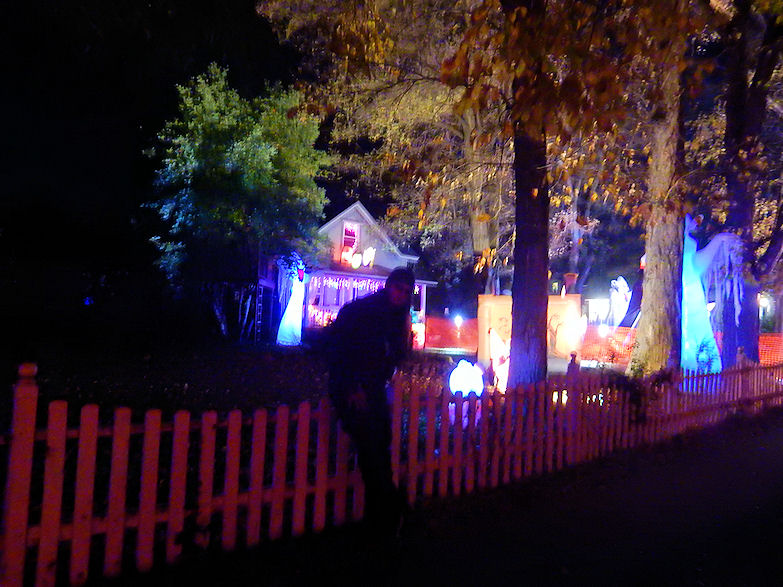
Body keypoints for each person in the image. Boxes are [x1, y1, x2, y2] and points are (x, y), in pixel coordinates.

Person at [325, 267, 414, 538]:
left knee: (378, 448)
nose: (400, 295)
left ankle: (380, 516)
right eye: (397, 288)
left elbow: (392, 357)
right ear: (388, 286)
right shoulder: (364, 312)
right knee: (371, 449)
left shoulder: (396, 319)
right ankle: (392, 511)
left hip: (373, 389)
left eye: (406, 292)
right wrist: (352, 386)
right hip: (352, 388)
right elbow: (343, 351)